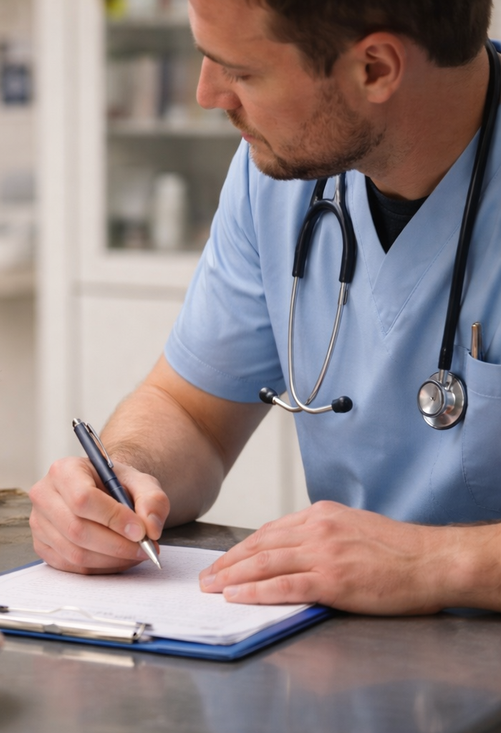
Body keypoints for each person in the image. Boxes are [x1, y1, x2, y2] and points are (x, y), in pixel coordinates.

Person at [29, 0, 501, 614]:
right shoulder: (277, 180)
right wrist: (119, 481)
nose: (207, 94)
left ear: (377, 69)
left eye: (242, 72)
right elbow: (190, 411)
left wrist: (433, 564)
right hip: (347, 666)